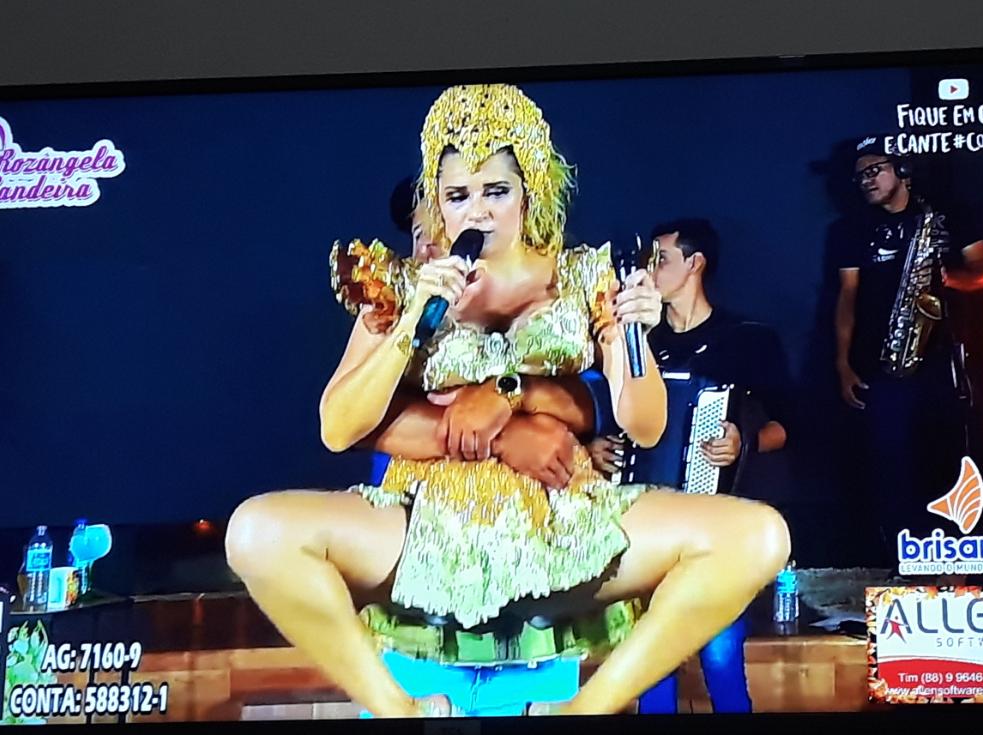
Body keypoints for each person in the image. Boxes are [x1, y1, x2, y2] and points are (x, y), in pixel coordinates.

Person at [225, 84, 791, 717]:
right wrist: (413, 320)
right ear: (437, 203)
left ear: (529, 192)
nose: (478, 213)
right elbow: (337, 428)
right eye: (457, 196)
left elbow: (646, 426)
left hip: (565, 522)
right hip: (423, 521)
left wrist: (632, 334)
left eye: (496, 191)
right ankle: (400, 711)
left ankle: (583, 713)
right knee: (257, 531)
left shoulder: (583, 276)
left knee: (758, 536)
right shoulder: (406, 284)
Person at [587, 219, 791, 714]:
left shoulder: (746, 339)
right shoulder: (633, 340)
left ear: (695, 264)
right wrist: (595, 449)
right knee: (651, 669)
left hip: (715, 527)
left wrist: (742, 442)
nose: (649, 270)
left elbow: (787, 427)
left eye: (661, 260)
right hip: (645, 527)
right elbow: (602, 416)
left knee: (721, 656)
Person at [833, 136, 983, 567]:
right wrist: (842, 363)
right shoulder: (851, 228)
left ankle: (952, 560)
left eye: (875, 170)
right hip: (882, 365)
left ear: (902, 170)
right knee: (890, 470)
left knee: (947, 463)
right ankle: (900, 560)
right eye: (859, 176)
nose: (866, 181)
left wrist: (941, 280)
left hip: (940, 363)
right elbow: (847, 297)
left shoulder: (945, 215)